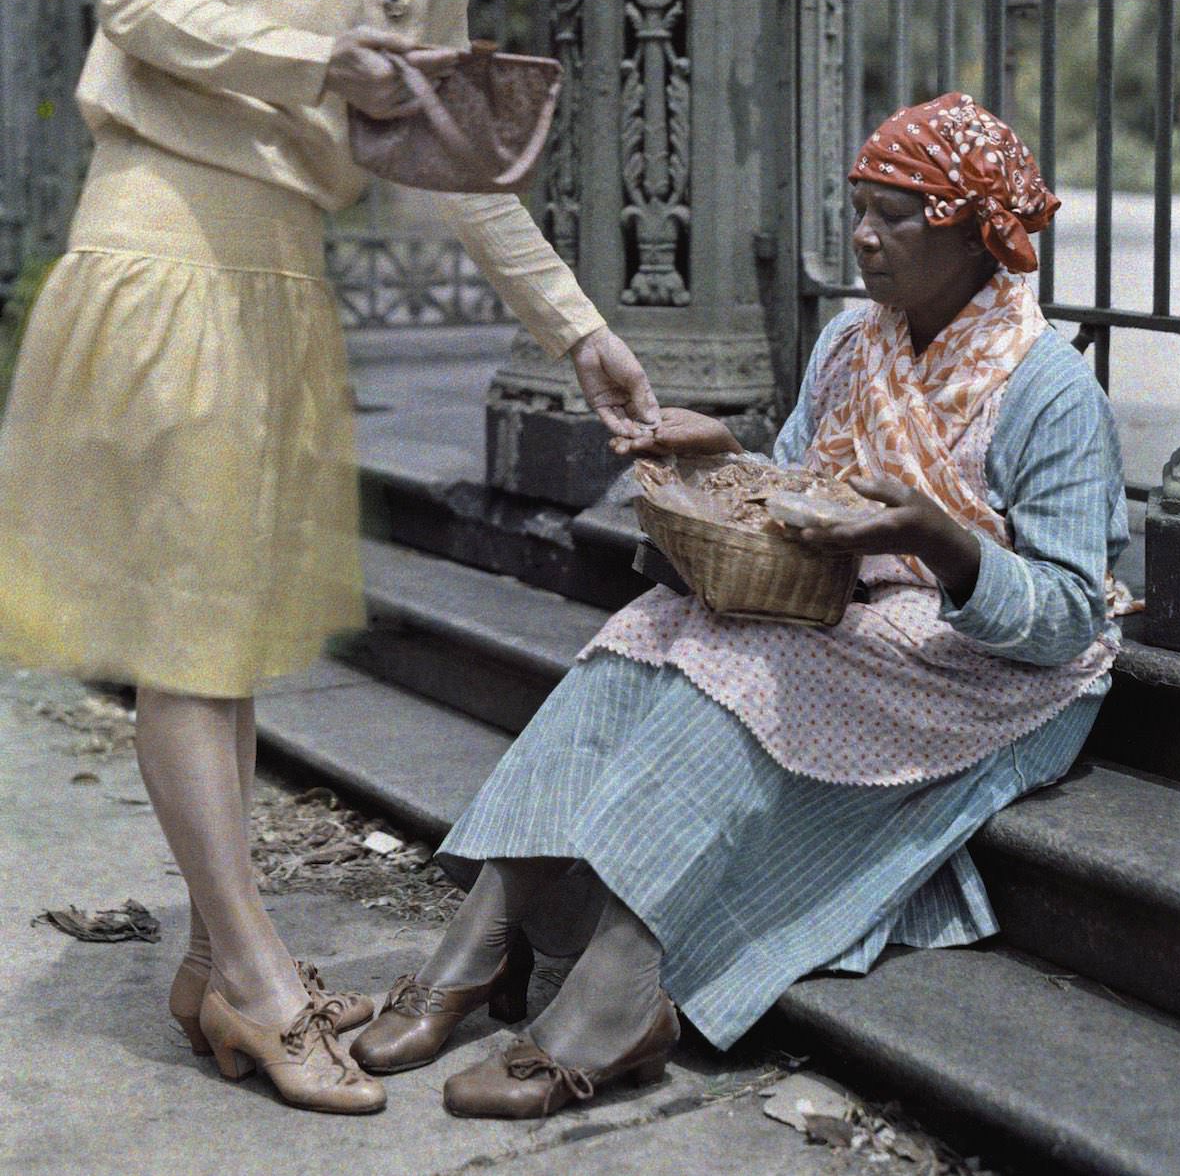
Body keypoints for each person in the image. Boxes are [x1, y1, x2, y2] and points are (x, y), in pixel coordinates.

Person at [0, 0, 659, 1114]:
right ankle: (247, 975)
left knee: (228, 640)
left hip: (277, 274)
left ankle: (228, 968)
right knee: (191, 635)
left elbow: (462, 175)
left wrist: (580, 332)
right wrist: (315, 56)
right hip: (171, 237)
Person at [349, 92, 1127, 1120]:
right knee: (641, 638)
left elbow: (1072, 614)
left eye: (892, 215)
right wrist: (726, 453)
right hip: (854, 606)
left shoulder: (1051, 389)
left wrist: (933, 538)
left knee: (750, 669)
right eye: (858, 208)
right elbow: (804, 487)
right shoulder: (857, 341)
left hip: (988, 661)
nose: (862, 235)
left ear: (971, 232)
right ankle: (487, 935)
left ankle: (621, 988)